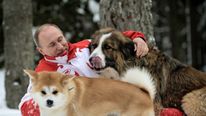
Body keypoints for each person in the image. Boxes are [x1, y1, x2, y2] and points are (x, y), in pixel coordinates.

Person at [19, 24, 183, 116]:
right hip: (97, 110)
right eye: (52, 45)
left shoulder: (85, 45)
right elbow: (26, 103)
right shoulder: (44, 72)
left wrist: (137, 38)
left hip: (127, 98)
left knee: (173, 113)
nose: (61, 46)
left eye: (60, 39)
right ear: (41, 51)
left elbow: (117, 37)